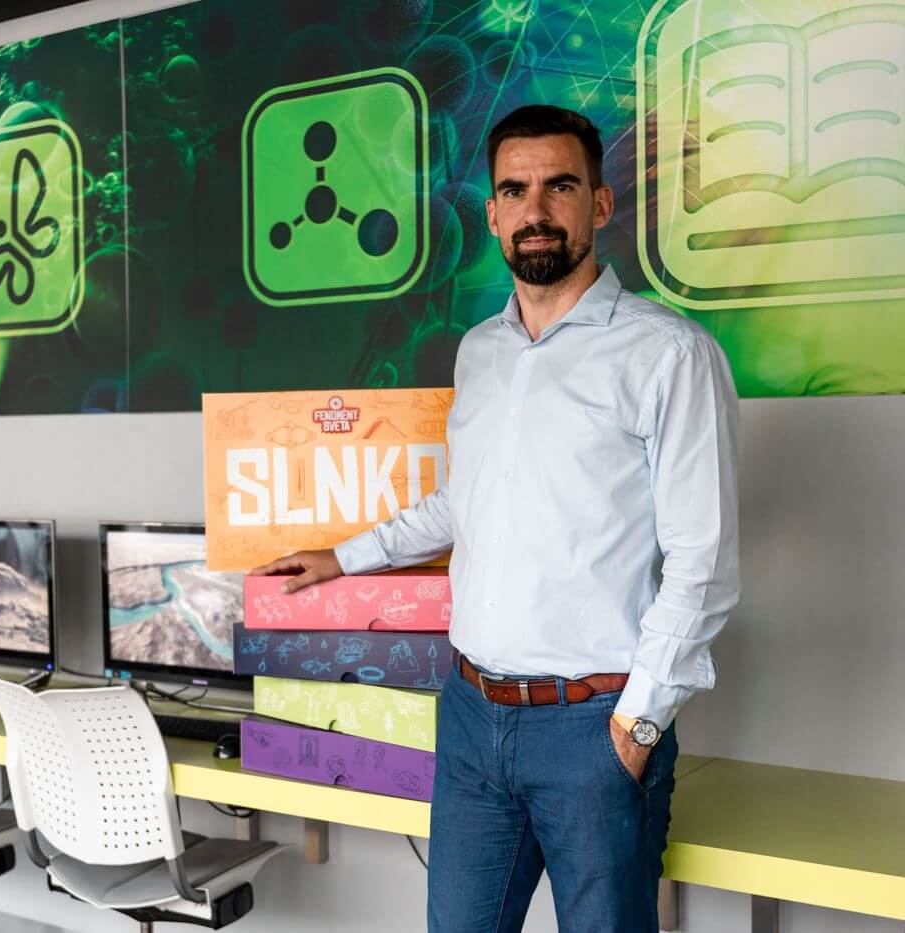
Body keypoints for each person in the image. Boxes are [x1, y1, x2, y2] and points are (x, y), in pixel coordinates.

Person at [250, 104, 740, 932]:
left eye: (559, 186)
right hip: (473, 719)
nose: (535, 209)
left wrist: (636, 725)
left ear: (600, 203)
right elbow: (463, 499)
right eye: (515, 190)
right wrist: (344, 556)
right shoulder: (480, 350)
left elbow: (705, 563)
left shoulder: (669, 354)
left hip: (593, 729)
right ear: (491, 215)